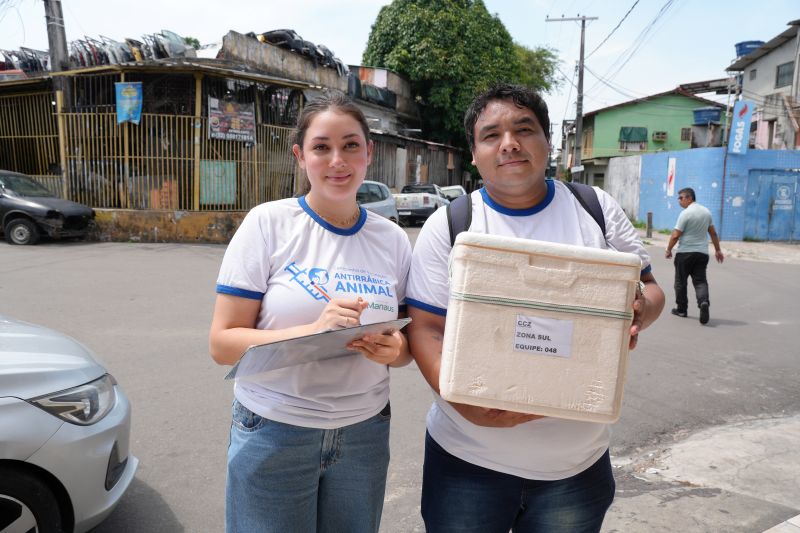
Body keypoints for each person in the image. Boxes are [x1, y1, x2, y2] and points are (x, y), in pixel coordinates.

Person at [405, 83, 665, 533]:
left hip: (575, 469)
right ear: (474, 153)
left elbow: (651, 289)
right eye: (491, 135)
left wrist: (636, 310)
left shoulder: (594, 208)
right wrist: (463, 404)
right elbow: (426, 329)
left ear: (548, 143)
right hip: (467, 461)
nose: (509, 143)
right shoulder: (450, 225)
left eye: (524, 129)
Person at [208, 93, 412, 533]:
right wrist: (313, 330)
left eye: (351, 145)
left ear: (369, 153)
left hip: (364, 433)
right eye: (321, 147)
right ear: (301, 156)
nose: (337, 160)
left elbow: (407, 347)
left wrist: (392, 348)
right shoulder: (268, 224)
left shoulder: (393, 239)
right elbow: (223, 344)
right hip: (275, 429)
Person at [665, 187, 724, 325]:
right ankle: (703, 302)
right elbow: (713, 233)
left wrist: (668, 249)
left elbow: (675, 235)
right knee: (700, 281)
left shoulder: (685, 213)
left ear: (689, 198)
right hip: (702, 254)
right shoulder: (706, 212)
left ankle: (681, 309)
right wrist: (718, 250)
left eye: (681, 198)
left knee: (680, 282)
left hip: (685, 253)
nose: (679, 200)